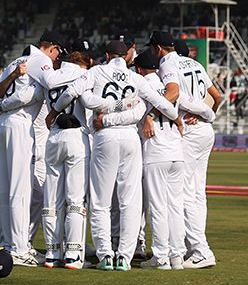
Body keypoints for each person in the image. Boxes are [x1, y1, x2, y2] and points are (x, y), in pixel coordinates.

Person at [56, 39, 180, 271]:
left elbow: (74, 92)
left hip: (105, 136)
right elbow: (166, 106)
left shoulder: (97, 71)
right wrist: (176, 118)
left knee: (101, 202)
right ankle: (124, 256)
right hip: (130, 138)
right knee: (130, 201)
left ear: (106, 54)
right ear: (127, 58)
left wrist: (54, 112)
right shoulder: (136, 78)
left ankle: (105, 256)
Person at [148, 31, 222, 269]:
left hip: (189, 132)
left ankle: (200, 250)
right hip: (205, 131)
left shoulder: (168, 62)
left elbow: (175, 94)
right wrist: (206, 113)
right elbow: (217, 96)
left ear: (159, 48)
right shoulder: (195, 63)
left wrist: (199, 111)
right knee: (198, 193)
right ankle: (198, 248)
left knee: (185, 194)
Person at [0, 31, 62, 267]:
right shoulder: (41, 60)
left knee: (7, 188)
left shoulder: (14, 62)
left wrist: (1, 107)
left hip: (2, 124)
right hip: (20, 124)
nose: (57, 58)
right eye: (58, 52)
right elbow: (50, 85)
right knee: (20, 189)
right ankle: (19, 249)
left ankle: (7, 243)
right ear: (52, 48)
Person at [133, 47, 212, 269]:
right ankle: (177, 256)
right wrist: (201, 116)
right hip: (177, 153)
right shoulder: (172, 89)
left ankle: (161, 257)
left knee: (157, 207)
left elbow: (135, 114)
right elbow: (206, 109)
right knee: (176, 206)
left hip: (156, 153)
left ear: (139, 69)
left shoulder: (141, 86)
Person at [37, 40, 94, 269]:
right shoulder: (83, 75)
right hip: (76, 136)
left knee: (51, 201)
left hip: (54, 137)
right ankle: (72, 255)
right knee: (75, 201)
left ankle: (51, 253)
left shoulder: (52, 75)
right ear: (84, 59)